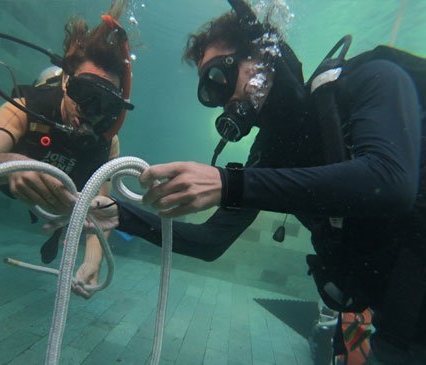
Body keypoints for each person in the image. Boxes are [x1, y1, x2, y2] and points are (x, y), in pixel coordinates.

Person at [83, 0, 425, 363]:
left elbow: (390, 181)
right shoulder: (270, 156)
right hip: (399, 333)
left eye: (219, 78)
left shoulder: (371, 79)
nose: (220, 100)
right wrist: (119, 215)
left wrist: (228, 183)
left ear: (263, 59)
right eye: (208, 93)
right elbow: (210, 241)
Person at [0, 0, 134, 298]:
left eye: (105, 104)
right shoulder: (27, 108)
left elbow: (100, 211)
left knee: (73, 210)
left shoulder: (107, 142)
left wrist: (92, 262)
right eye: (84, 93)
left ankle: (58, 229)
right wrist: (15, 164)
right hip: (7, 178)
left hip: (59, 198)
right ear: (66, 81)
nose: (91, 112)